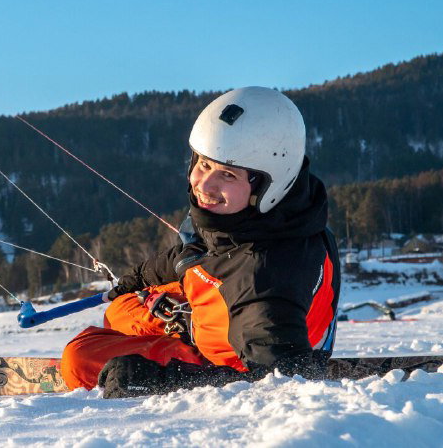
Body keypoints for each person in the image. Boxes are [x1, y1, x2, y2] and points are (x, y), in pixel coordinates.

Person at [60, 86, 341, 398]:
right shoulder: (249, 218)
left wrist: (158, 380)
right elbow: (190, 254)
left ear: (268, 185)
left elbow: (280, 385)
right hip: (217, 315)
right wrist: (134, 280)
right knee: (120, 310)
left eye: (228, 175)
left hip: (228, 363)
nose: (204, 185)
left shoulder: (263, 282)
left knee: (78, 360)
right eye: (204, 164)